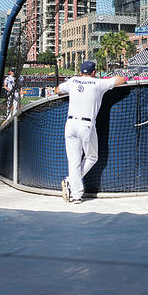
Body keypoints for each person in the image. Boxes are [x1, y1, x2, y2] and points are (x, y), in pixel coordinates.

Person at [56, 61, 127, 203]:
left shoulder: (72, 81)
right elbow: (123, 79)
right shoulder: (98, 83)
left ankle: (76, 194)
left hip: (70, 124)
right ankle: (71, 184)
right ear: (93, 72)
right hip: (86, 125)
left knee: (73, 161)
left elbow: (57, 90)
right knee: (92, 157)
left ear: (81, 72)